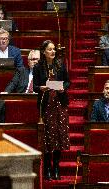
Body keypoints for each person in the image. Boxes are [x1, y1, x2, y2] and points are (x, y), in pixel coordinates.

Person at [33, 40, 70, 180]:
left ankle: (56, 168)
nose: (53, 51)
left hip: (60, 104)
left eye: (54, 49)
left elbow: (67, 81)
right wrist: (41, 88)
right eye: (50, 49)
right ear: (44, 52)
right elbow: (35, 86)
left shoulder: (60, 65)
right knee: (48, 137)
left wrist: (63, 88)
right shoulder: (38, 67)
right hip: (46, 104)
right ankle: (47, 168)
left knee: (59, 136)